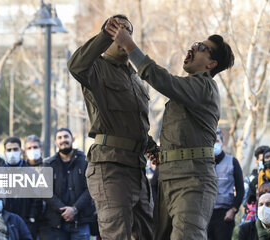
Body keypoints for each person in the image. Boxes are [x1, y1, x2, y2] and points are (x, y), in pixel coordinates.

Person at [108, 18, 235, 239]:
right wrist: (162, 154)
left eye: (202, 47)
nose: (193, 47)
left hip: (192, 181)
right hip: (170, 177)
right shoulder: (187, 92)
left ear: (211, 64)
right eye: (195, 43)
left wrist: (130, 46)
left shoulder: (204, 87)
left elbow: (161, 79)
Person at [67, 15, 156, 239]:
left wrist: (152, 147)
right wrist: (105, 35)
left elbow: (137, 125)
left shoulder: (136, 79)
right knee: (117, 234)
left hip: (137, 167)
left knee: (146, 233)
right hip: (110, 167)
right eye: (117, 30)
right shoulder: (96, 67)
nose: (122, 34)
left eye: (127, 30)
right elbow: (75, 65)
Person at [40, 128, 95, 240]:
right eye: (59, 138)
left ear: (72, 139)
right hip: (56, 224)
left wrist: (74, 209)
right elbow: (44, 191)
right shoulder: (49, 164)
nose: (63, 140)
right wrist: (63, 209)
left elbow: (90, 188)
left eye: (66, 137)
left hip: (81, 222)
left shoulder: (85, 162)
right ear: (55, 142)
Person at [1, 136, 42, 239]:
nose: (12, 152)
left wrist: (31, 218)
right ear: (4, 152)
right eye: (9, 150)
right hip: (5, 222)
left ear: (21, 150)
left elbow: (37, 199)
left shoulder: (31, 172)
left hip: (26, 222)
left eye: (15, 149)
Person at [207, 129, 244, 240]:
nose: (214, 144)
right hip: (206, 213)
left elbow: (240, 190)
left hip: (225, 214)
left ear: (222, 143)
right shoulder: (203, 163)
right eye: (211, 141)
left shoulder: (232, 162)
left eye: (217, 141)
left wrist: (233, 210)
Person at [241, 145, 269, 224]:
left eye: (266, 159)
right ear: (256, 161)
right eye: (261, 160)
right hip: (252, 219)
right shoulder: (249, 180)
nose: (264, 162)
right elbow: (245, 201)